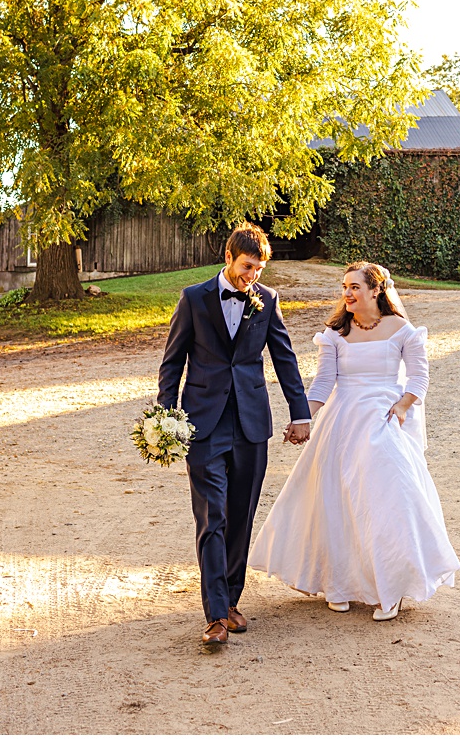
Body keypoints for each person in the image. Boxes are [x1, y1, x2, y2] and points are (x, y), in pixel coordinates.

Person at [249, 261, 460, 621]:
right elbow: (323, 383)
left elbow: (419, 378)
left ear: (376, 290)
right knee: (333, 500)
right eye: (344, 287)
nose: (347, 293)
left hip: (383, 417)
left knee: (388, 499)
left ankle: (389, 589)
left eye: (354, 287)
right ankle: (338, 583)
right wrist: (303, 418)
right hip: (342, 419)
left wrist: (403, 405)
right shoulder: (335, 333)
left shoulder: (402, 330)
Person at [157, 223, 311, 646]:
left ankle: (230, 600)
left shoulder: (268, 300)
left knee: (240, 515)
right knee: (213, 517)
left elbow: (285, 358)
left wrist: (300, 414)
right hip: (202, 424)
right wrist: (165, 417)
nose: (253, 276)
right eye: (247, 266)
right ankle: (214, 616)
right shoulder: (193, 299)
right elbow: (172, 364)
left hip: (250, 424)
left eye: (259, 269)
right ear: (229, 257)